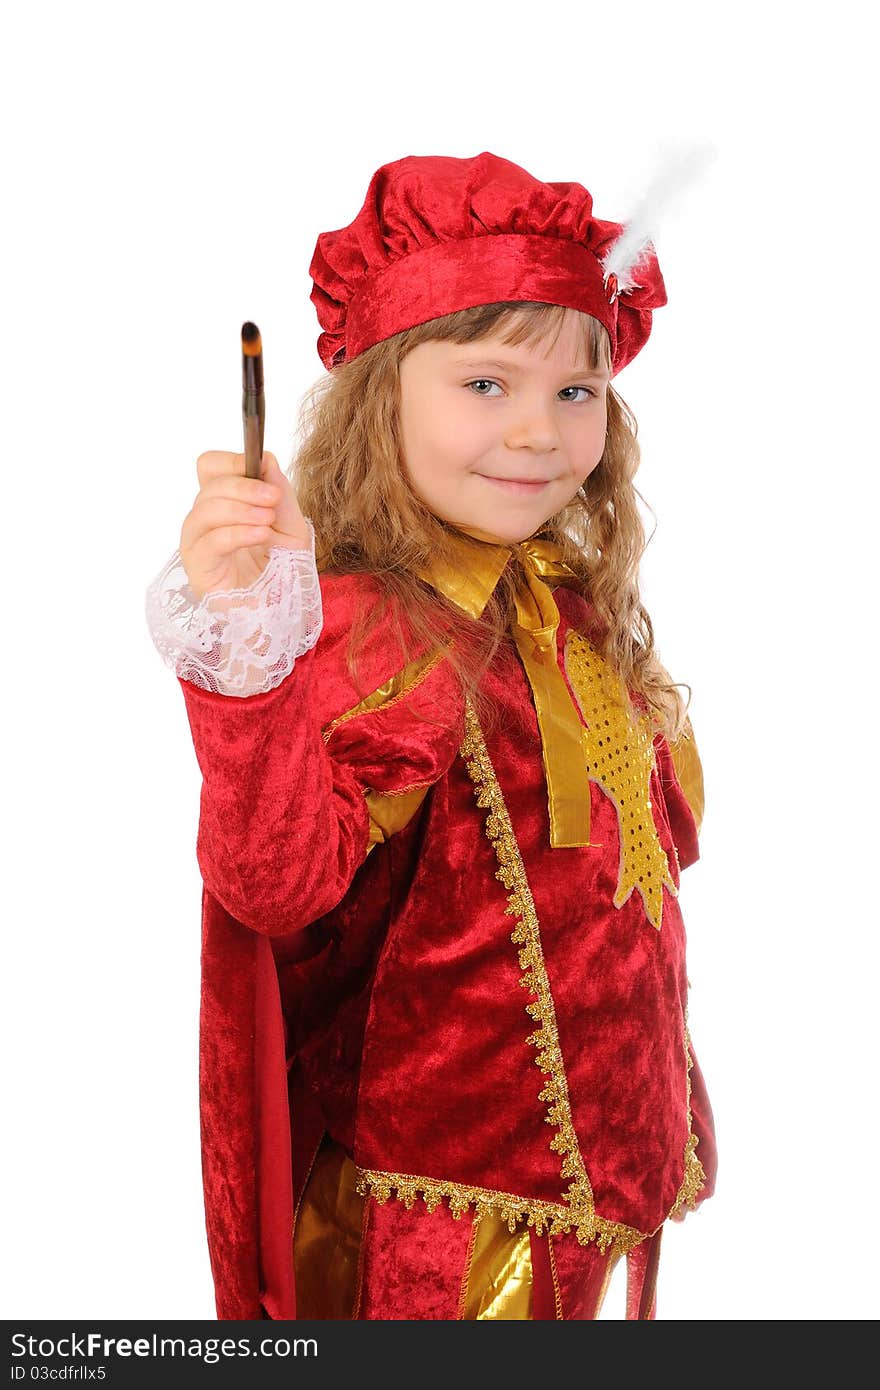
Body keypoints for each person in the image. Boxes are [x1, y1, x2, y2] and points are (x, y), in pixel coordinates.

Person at [145, 150, 717, 1321]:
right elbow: (274, 879)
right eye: (486, 385)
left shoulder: (565, 610)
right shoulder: (380, 627)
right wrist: (244, 647)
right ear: (381, 395)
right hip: (433, 1238)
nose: (538, 435)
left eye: (575, 393)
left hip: (584, 1204)